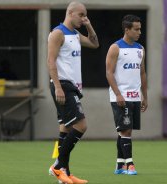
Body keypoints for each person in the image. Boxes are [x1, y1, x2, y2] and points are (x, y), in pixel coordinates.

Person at [47, 1, 99, 184]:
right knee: (81, 125)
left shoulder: (75, 34)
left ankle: (65, 174)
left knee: (66, 128)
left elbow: (95, 43)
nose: (83, 18)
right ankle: (57, 166)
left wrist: (88, 25)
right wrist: (58, 87)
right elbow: (51, 61)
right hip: (63, 85)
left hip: (73, 87)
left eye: (85, 15)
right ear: (70, 13)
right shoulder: (57, 33)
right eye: (81, 15)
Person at [106, 14, 148, 175]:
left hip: (135, 96)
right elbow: (109, 73)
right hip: (120, 97)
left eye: (140, 29)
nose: (139, 32)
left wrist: (145, 95)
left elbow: (142, 73)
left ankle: (119, 165)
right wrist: (118, 94)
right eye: (136, 29)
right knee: (126, 131)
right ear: (127, 29)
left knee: (124, 130)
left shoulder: (140, 49)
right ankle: (130, 164)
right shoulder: (115, 48)